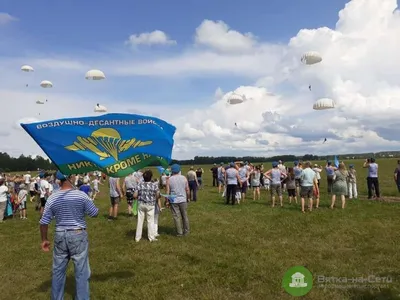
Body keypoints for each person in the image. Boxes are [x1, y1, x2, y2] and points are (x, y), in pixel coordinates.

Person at [39, 171, 99, 300]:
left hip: (60, 234)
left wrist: (44, 239)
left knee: (58, 271)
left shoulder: (53, 197)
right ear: (71, 178)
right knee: (82, 271)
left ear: (59, 180)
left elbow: (44, 221)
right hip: (78, 233)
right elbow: (94, 213)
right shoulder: (81, 195)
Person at [133, 170, 160, 242]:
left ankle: (137, 238)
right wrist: (154, 198)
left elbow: (135, 195)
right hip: (150, 205)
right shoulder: (154, 185)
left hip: (141, 204)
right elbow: (157, 195)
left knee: (140, 221)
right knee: (150, 221)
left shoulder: (139, 185)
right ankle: (151, 237)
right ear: (151, 177)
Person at [166, 164, 190, 236]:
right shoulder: (184, 178)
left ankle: (179, 232)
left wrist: (167, 201)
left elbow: (167, 191)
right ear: (179, 170)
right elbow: (187, 189)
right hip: (183, 199)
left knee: (176, 217)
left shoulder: (169, 179)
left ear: (172, 171)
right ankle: (186, 231)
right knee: (184, 216)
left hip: (174, 200)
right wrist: (188, 198)